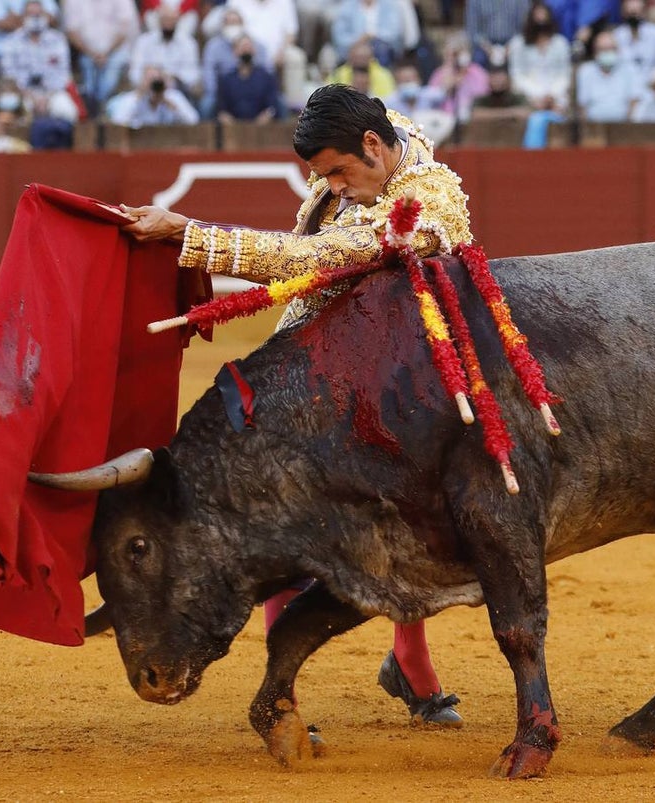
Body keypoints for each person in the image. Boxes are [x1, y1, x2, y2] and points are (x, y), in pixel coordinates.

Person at [118, 84, 471, 727]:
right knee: (277, 526)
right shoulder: (376, 140)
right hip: (304, 375)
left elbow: (310, 259)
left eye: (339, 172)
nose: (333, 187)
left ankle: (410, 669)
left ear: (372, 147)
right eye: (322, 176)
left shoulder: (426, 206)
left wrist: (191, 235)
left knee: (410, 524)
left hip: (380, 392)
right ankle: (288, 692)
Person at [0, 0, 77, 124]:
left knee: (67, 110)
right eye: (31, 15)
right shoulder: (11, 41)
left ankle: (61, 142)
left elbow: (63, 74)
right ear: (23, 17)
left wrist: (47, 98)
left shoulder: (57, 40)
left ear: (45, 16)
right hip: (23, 92)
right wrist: (29, 95)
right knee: (11, 106)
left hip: (52, 93)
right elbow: (9, 75)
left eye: (38, 15)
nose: (35, 18)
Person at [62, 0, 139, 117]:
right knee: (88, 73)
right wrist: (93, 54)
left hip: (116, 51)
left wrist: (106, 54)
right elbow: (71, 32)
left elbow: (125, 31)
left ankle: (103, 109)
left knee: (110, 75)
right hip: (86, 52)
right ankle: (93, 110)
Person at [128, 4, 202, 103]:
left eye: (172, 20)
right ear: (159, 20)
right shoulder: (144, 41)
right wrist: (149, 77)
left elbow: (192, 75)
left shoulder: (188, 43)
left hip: (177, 94)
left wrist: (171, 78)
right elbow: (134, 73)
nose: (168, 24)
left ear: (178, 20)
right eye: (165, 20)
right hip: (147, 93)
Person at [575, 29, 645, 122]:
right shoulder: (585, 71)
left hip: (623, 126)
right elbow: (582, 106)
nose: (607, 53)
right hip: (594, 127)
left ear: (617, 50)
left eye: (610, 49)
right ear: (595, 52)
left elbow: (634, 102)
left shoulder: (629, 70)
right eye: (603, 50)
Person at [382, 57, 453, 144]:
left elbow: (445, 90)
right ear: (397, 83)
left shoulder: (429, 95)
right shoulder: (390, 102)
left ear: (419, 80)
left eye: (411, 79)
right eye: (405, 80)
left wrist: (449, 63)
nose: (408, 83)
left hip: (430, 141)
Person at [216, 34, 282, 124]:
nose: (246, 50)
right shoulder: (226, 80)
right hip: (233, 130)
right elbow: (222, 110)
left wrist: (262, 120)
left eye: (249, 47)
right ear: (235, 51)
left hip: (261, 129)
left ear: (254, 51)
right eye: (243, 47)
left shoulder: (266, 77)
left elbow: (272, 108)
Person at [427, 31, 490, 124]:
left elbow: (483, 96)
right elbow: (432, 99)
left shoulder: (477, 72)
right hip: (444, 121)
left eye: (459, 52)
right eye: (453, 54)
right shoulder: (439, 73)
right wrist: (448, 72)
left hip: (473, 119)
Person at [108, 63, 200, 126]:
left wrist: (169, 103)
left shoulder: (173, 96)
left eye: (157, 79)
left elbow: (194, 120)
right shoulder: (132, 98)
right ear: (142, 80)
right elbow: (117, 122)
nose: (154, 84)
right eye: (150, 79)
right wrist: (139, 95)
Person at [330, 0, 409, 67]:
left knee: (380, 49)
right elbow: (340, 36)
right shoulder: (347, 6)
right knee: (359, 53)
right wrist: (359, 40)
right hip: (354, 45)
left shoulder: (389, 4)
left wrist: (373, 35)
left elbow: (394, 32)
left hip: (381, 46)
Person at [329, 37, 397, 98]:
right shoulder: (337, 74)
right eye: (357, 57)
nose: (360, 61)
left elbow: (388, 98)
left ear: (371, 58)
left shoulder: (384, 75)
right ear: (350, 57)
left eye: (363, 58)